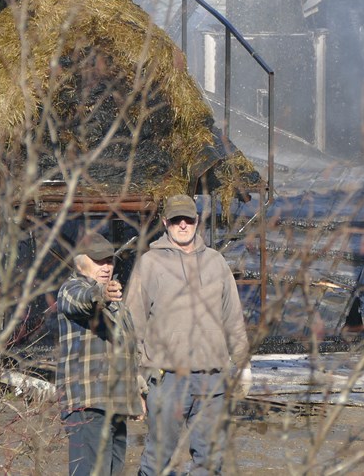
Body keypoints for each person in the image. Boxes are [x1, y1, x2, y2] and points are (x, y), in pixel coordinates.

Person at [126, 194, 250, 476]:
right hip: (167, 378)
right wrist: (134, 374)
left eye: (188, 219)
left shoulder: (216, 262)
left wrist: (243, 366)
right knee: (158, 459)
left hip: (212, 378)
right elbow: (133, 323)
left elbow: (233, 318)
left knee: (210, 460)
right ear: (165, 222)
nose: (183, 225)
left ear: (197, 221)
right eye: (176, 220)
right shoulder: (150, 263)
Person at [56, 232, 143, 476]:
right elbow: (83, 300)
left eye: (109, 260)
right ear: (79, 262)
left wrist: (138, 391)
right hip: (88, 405)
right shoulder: (70, 289)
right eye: (98, 261)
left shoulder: (117, 303)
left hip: (116, 404)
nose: (106, 267)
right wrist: (101, 294)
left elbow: (128, 350)